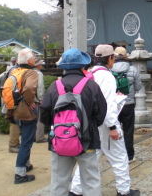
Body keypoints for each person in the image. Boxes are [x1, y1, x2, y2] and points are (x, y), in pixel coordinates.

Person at [70, 44, 140, 196]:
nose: (113, 60)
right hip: (105, 124)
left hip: (90, 123)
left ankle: (75, 190)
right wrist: (113, 127)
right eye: (113, 57)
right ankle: (123, 190)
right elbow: (107, 104)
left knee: (89, 158)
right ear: (109, 58)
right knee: (120, 157)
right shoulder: (107, 76)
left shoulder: (89, 73)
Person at [40, 48, 107, 196]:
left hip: (59, 140)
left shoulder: (54, 87)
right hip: (87, 140)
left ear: (64, 66)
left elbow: (44, 114)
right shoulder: (91, 86)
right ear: (82, 66)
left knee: (59, 182)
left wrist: (59, 126)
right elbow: (101, 114)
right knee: (91, 181)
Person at [111, 46, 142, 163]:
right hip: (128, 104)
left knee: (115, 130)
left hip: (115, 105)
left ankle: (115, 156)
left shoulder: (110, 69)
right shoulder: (133, 69)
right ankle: (130, 156)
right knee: (128, 130)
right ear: (126, 56)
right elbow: (138, 87)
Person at [13, 48, 39, 184]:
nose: (35, 59)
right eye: (34, 57)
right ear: (29, 60)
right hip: (26, 110)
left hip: (15, 109)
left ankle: (26, 164)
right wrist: (29, 102)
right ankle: (20, 173)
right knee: (26, 142)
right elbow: (29, 89)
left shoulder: (14, 71)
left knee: (24, 138)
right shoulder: (31, 73)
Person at [34, 58, 46, 143]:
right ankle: (39, 137)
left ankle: (33, 136)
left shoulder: (28, 72)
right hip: (37, 99)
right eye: (41, 64)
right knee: (39, 119)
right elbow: (40, 87)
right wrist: (41, 98)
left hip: (29, 99)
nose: (42, 65)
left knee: (32, 119)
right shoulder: (39, 73)